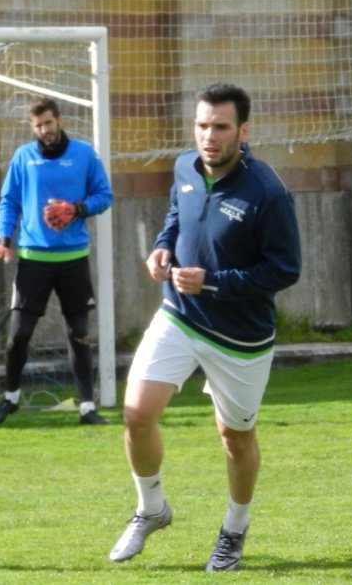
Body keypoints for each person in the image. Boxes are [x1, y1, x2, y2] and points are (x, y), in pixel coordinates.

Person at [108, 83, 301, 572]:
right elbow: (177, 215)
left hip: (240, 337)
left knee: (235, 438)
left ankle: (234, 530)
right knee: (136, 414)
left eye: (220, 127)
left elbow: (285, 270)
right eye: (201, 125)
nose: (208, 137)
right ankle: (151, 509)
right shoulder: (184, 168)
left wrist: (213, 282)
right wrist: (162, 247)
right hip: (179, 315)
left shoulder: (268, 192)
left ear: (243, 131)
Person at [0, 97, 114, 426]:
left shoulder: (84, 154)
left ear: (59, 120)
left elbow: (104, 196)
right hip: (32, 260)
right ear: (32, 127)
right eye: (38, 125)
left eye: (49, 123)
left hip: (73, 259)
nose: (45, 130)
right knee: (18, 335)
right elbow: (9, 202)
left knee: (79, 334)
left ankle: (87, 408)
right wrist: (3, 241)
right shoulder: (23, 157)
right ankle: (11, 398)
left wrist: (77, 209)